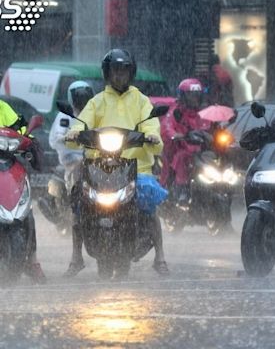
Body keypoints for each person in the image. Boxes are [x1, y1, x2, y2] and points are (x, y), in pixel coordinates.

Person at [66, 48, 170, 277]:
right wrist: (74, 133)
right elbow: (82, 123)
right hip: (99, 166)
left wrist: (152, 136)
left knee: (149, 204)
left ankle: (160, 257)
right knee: (78, 200)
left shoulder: (142, 102)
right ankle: (76, 258)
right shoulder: (97, 101)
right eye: (115, 70)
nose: (119, 75)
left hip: (136, 166)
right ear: (108, 73)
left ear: (130, 73)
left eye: (124, 71)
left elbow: (151, 124)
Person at [47, 80, 94, 278]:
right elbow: (55, 138)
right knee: (78, 209)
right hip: (74, 165)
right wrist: (70, 137)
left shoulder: (96, 113)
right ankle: (77, 257)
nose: (82, 99)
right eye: (78, 95)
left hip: (99, 164)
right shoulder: (65, 117)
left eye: (85, 95)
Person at [0, 99, 46, 284]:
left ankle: (32, 260)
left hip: (5, 162)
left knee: (25, 210)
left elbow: (20, 130)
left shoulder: (2, 107)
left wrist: (29, 140)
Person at [161, 78, 211, 205]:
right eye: (191, 95)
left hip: (201, 153)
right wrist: (177, 135)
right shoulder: (175, 111)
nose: (194, 98)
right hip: (180, 149)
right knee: (182, 158)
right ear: (183, 96)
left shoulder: (204, 112)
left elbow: (209, 127)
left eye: (197, 95)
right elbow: (167, 127)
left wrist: (210, 135)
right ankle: (182, 189)